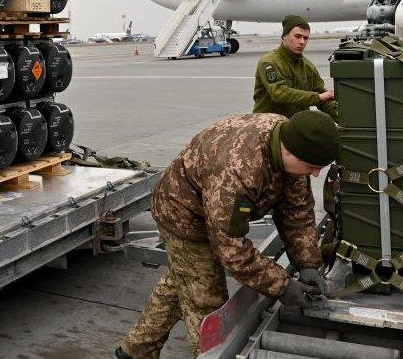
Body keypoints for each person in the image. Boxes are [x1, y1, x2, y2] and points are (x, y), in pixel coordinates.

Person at [117, 110, 339, 358]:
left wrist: (308, 263)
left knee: (184, 281)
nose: (316, 174)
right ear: (289, 150)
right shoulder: (236, 169)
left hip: (213, 207)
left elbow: (296, 212)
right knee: (206, 300)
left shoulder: (293, 143)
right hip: (184, 215)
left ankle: (136, 351)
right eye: (312, 167)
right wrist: (283, 286)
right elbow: (233, 251)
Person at [253, 15, 337, 121]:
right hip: (268, 125)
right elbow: (279, 93)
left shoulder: (308, 66)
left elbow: (323, 97)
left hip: (295, 126)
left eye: (305, 38)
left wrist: (347, 119)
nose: (302, 42)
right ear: (284, 36)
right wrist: (317, 97)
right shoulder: (269, 62)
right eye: (297, 36)